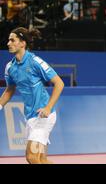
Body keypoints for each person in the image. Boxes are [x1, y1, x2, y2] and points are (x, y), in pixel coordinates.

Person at [0, 27, 64, 164]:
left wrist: (48, 107)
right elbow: (10, 90)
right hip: (30, 117)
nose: (8, 43)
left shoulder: (35, 62)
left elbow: (59, 83)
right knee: (41, 160)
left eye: (12, 40)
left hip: (44, 115)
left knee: (32, 157)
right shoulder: (10, 67)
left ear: (23, 43)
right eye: (8, 40)